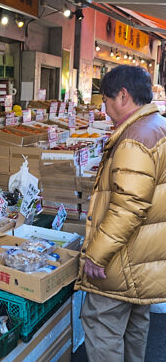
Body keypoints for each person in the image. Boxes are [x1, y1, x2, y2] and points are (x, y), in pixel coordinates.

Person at [74, 65, 166, 362]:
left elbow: (128, 205)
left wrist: (97, 254)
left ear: (123, 96)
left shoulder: (134, 139)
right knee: (136, 323)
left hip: (121, 259)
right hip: (145, 254)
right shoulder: (157, 127)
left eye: (106, 100)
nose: (104, 108)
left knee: (103, 326)